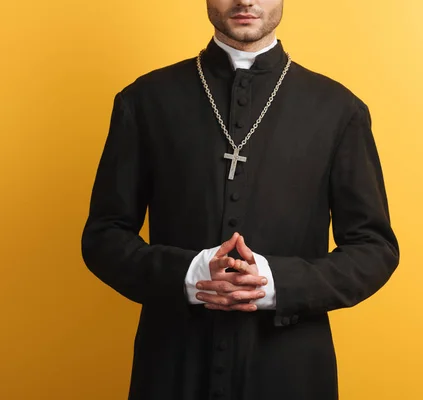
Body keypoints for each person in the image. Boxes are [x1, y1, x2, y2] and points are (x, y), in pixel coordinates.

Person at [81, 0, 400, 399]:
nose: (246, 0)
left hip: (291, 371)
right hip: (172, 367)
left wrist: (277, 283)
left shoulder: (339, 109)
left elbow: (375, 248)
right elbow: (103, 236)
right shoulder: (144, 100)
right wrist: (189, 273)